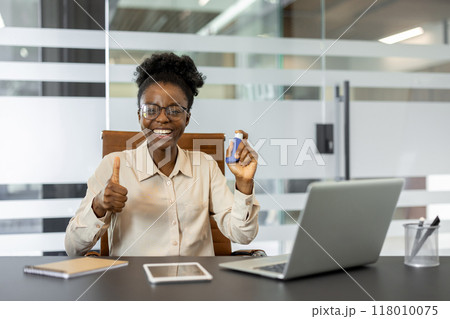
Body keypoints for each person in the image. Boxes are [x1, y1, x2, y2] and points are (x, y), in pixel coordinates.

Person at [65, 52, 260, 256]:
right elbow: (73, 247)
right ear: (139, 115)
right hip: (134, 285)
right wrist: (98, 205)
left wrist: (244, 184)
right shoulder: (113, 166)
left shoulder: (205, 167)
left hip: (197, 284)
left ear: (187, 118)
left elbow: (242, 236)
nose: (162, 119)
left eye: (174, 110)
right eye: (151, 110)